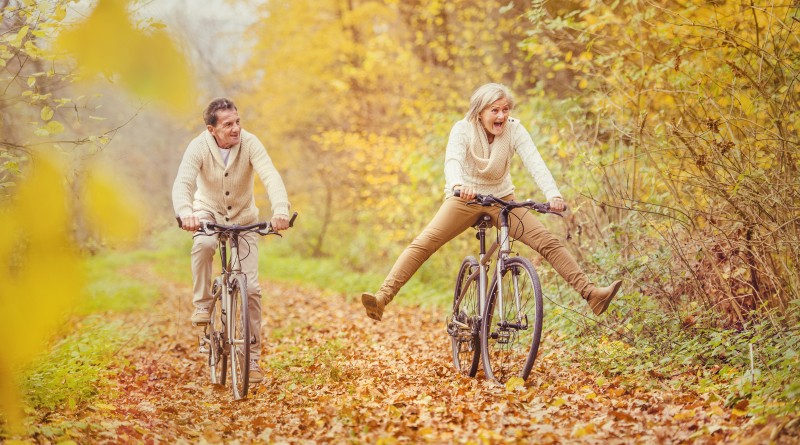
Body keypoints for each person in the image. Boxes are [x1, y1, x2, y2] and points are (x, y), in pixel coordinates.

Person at [361, 83, 621, 321]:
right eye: (494, 110)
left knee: (547, 241)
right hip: (464, 199)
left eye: (505, 109)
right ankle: (382, 298)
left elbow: (535, 163)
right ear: (479, 112)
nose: (501, 116)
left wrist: (553, 194)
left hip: (501, 200)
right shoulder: (462, 129)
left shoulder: (514, 129)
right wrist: (458, 185)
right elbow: (452, 161)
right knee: (424, 243)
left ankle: (592, 295)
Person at [172, 97, 291, 383]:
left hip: (245, 219)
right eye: (228, 124)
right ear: (212, 129)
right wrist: (186, 213)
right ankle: (202, 304)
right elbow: (183, 182)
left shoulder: (250, 143)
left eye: (237, 122)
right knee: (204, 245)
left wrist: (281, 210)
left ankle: (252, 360)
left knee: (250, 289)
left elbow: (270, 176)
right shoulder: (198, 147)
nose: (236, 129)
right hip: (207, 214)